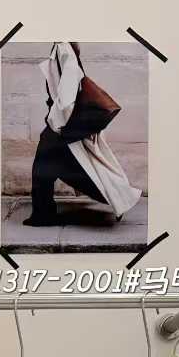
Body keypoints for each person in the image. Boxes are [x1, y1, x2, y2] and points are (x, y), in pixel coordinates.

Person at [24, 41, 141, 227]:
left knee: (50, 167)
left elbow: (68, 95)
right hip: (61, 121)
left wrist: (56, 124)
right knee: (57, 167)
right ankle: (43, 213)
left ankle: (44, 214)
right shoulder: (62, 46)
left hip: (61, 123)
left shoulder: (63, 47)